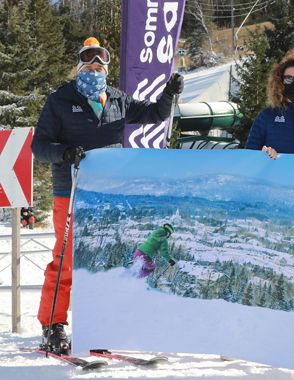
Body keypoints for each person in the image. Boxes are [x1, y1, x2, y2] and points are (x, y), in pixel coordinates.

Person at [31, 37, 184, 355]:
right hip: (70, 192)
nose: (95, 70)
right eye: (89, 66)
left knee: (102, 260)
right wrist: (64, 152)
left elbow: (155, 114)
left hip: (108, 195)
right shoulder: (60, 99)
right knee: (67, 261)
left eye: (100, 66)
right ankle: (53, 325)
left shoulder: (117, 98)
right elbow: (40, 145)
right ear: (79, 69)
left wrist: (169, 93)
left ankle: (99, 323)